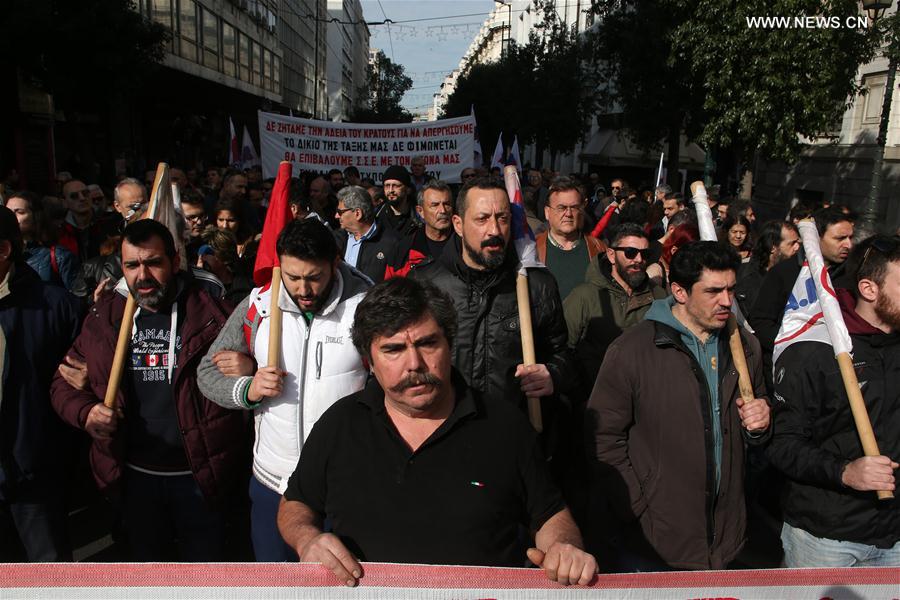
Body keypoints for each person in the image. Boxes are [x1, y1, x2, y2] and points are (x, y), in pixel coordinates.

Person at [277, 277, 597, 585]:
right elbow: (296, 504)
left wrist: (563, 548)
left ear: (449, 343)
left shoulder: (504, 424)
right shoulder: (340, 425)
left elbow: (550, 514)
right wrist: (308, 540)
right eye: (393, 349)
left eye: (427, 343)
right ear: (369, 362)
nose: (414, 363)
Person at [50, 219, 249, 561]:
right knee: (145, 575)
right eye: (131, 265)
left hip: (201, 478)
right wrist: (87, 412)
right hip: (134, 480)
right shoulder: (104, 317)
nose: (142, 275)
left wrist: (249, 369)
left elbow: (264, 377)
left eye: (153, 263)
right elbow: (62, 383)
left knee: (204, 576)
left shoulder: (214, 313)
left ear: (175, 261)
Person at [586, 241, 771, 571]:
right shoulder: (632, 351)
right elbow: (602, 440)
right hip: (655, 545)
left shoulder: (745, 347)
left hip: (727, 540)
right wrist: (637, 507)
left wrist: (761, 420)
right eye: (713, 291)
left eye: (731, 289)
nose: (727, 301)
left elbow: (754, 427)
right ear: (680, 292)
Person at [198, 218, 370, 561]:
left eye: (314, 277)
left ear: (335, 262)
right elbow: (207, 373)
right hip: (273, 482)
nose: (303, 289)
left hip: (345, 484)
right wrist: (248, 388)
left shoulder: (366, 305)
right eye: (292, 277)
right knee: (276, 582)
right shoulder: (259, 305)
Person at [766, 234, 900, 567]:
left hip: (894, 534)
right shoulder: (817, 349)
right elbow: (781, 443)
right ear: (869, 289)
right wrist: (845, 472)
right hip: (827, 538)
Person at [410, 176, 575, 413]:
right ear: (458, 224)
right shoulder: (424, 284)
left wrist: (552, 375)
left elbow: (562, 353)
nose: (495, 230)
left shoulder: (537, 285)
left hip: (514, 425)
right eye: (482, 219)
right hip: (444, 424)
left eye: (502, 218)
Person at [0, 206, 81, 561]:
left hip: (34, 476)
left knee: (47, 578)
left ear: (4, 250)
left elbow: (76, 389)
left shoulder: (56, 307)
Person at [749, 207, 854, 387]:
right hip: (787, 374)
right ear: (816, 238)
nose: (848, 245)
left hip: (836, 374)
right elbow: (760, 321)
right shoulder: (783, 273)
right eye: (840, 238)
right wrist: (792, 347)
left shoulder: (853, 277)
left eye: (851, 237)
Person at [564, 223, 667, 387]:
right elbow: (563, 352)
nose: (639, 260)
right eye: (630, 252)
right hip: (595, 394)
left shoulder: (659, 297)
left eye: (645, 254)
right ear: (611, 255)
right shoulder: (584, 297)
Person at [536, 176, 607, 301]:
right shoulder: (532, 249)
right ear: (547, 212)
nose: (568, 214)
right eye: (561, 208)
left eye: (574, 207)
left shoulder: (599, 249)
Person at [6, 191, 80, 290]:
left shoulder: (59, 256)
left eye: (19, 212)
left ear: (36, 216)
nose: (11, 217)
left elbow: (76, 296)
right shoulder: (4, 256)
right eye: (8, 212)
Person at [388, 179, 456, 277]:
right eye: (435, 205)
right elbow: (390, 285)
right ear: (420, 211)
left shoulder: (466, 245)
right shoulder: (403, 250)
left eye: (447, 204)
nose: (442, 210)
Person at [334, 185, 398, 284]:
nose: (336, 216)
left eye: (340, 212)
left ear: (357, 213)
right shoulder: (336, 238)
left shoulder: (390, 243)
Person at [735, 220, 800, 316]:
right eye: (792, 243)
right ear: (773, 247)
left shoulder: (799, 273)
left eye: (798, 242)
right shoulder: (745, 278)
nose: (797, 247)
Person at [377, 165, 418, 236]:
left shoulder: (419, 218)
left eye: (396, 186)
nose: (391, 190)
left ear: (408, 189)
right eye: (387, 186)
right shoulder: (376, 217)